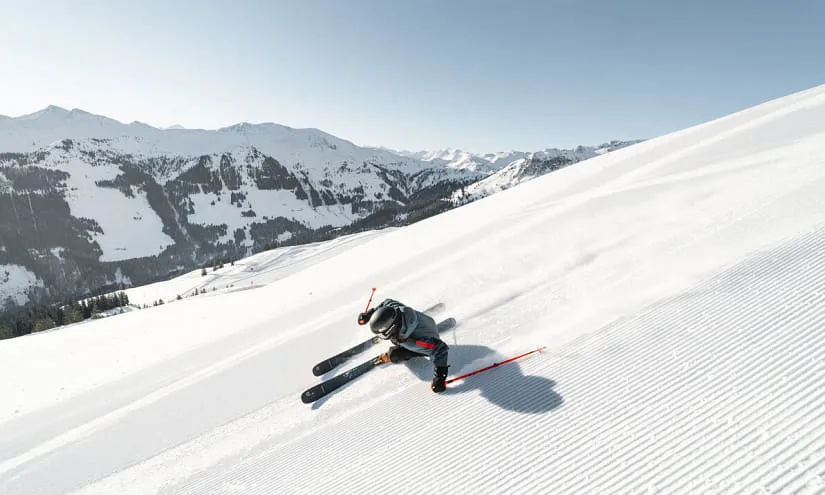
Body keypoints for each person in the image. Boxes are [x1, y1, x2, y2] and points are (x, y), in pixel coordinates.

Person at [358, 298, 450, 393]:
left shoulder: (415, 342)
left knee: (394, 355)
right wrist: (370, 313)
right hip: (426, 321)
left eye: (382, 335)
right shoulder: (396, 308)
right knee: (396, 341)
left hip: (425, 340)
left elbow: (441, 349)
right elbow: (386, 302)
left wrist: (440, 377)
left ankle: (394, 355)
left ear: (391, 329)